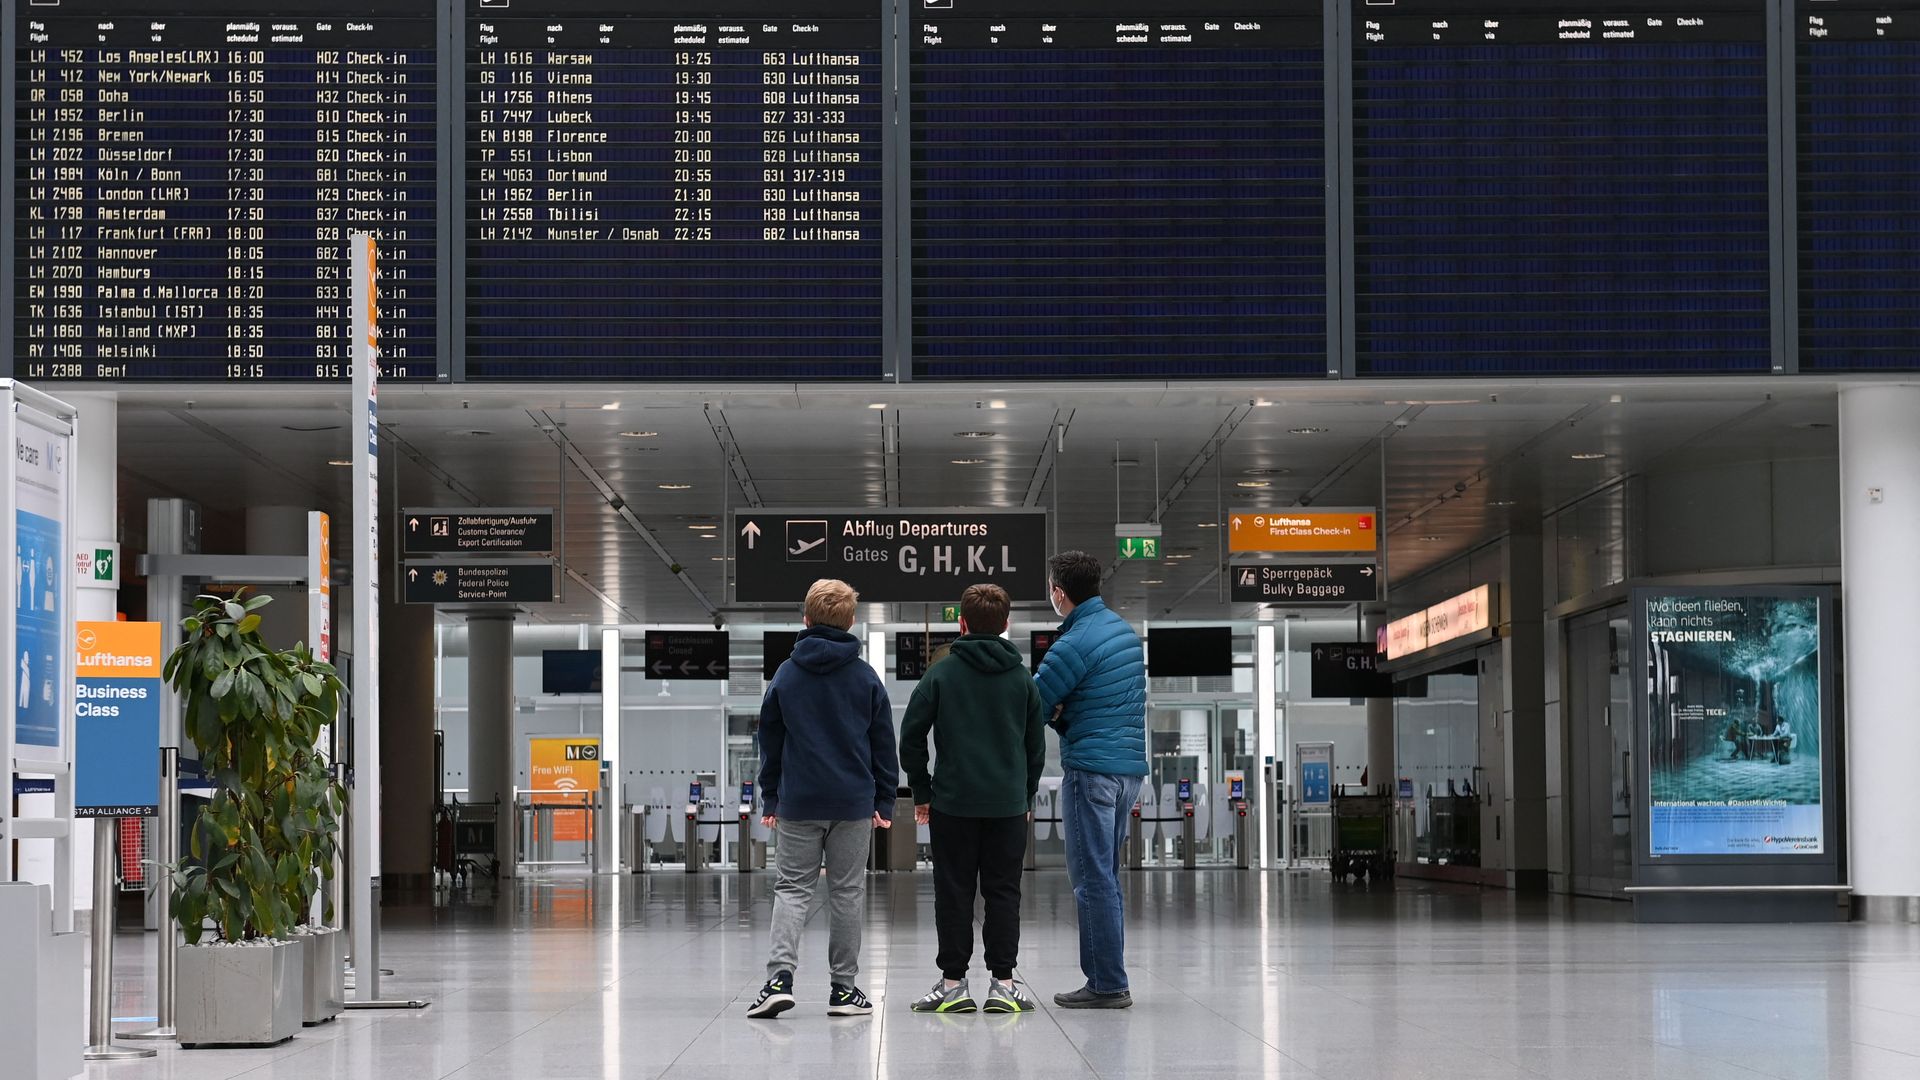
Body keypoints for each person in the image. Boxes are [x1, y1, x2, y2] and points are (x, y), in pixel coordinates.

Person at [747, 579, 899, 1020]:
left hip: (799, 802)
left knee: (792, 889)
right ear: (851, 622)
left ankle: (779, 980)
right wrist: (884, 800)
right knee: (847, 893)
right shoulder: (865, 676)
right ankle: (844, 990)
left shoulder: (786, 675)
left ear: (806, 620)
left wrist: (771, 797)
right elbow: (882, 745)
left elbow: (770, 743)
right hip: (853, 802)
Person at [900, 584, 1047, 1015]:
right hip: (1006, 808)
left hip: (953, 805)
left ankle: (953, 985)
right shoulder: (1023, 679)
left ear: (961, 624)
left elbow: (910, 738)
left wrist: (923, 790)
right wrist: (1024, 795)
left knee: (954, 893)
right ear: (1006, 625)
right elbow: (1035, 749)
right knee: (1004, 893)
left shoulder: (941, 674)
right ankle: (1004, 984)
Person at [1033, 551, 1147, 1009]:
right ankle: (1109, 975)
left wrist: (1059, 718)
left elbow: (1034, 703)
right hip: (1128, 772)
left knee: (1091, 878)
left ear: (1060, 593)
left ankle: (1106, 983)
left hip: (1091, 771)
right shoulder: (1125, 633)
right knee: (1107, 875)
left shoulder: (1073, 643)